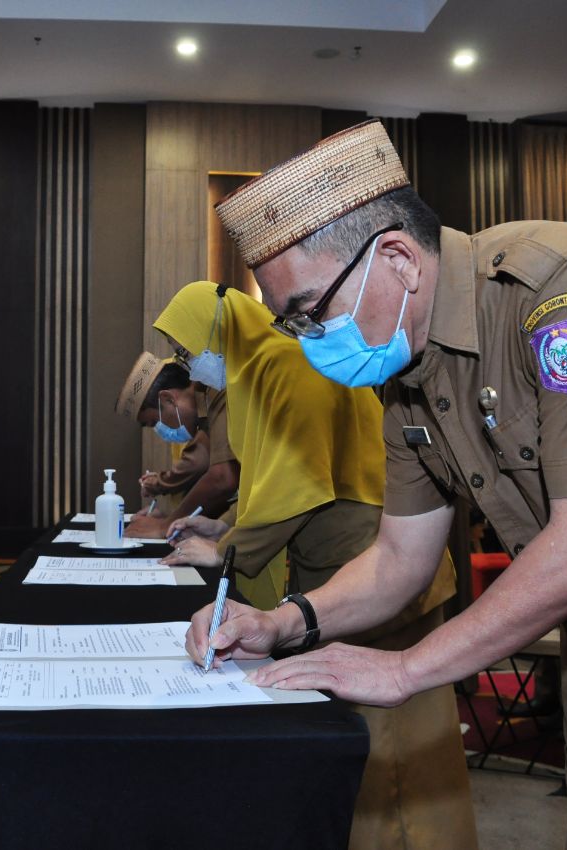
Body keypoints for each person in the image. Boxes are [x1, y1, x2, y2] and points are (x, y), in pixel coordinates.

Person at [192, 119, 567, 849]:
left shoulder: (563, 290)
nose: (310, 340)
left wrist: (407, 670)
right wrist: (281, 623)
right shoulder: (407, 375)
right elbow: (399, 560)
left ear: (398, 259)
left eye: (310, 314)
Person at [156, 281, 477, 850]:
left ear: (218, 326)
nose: (189, 363)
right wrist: (225, 528)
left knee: (395, 754)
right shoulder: (256, 369)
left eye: (188, 347)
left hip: (378, 571)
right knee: (366, 751)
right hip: (345, 573)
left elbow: (296, 487)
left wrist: (228, 553)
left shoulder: (281, 361)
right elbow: (277, 478)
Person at [115, 352, 239, 537]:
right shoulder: (203, 414)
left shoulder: (217, 392)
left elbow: (222, 478)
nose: (160, 430)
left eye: (154, 422)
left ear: (168, 399)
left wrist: (166, 526)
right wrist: (170, 517)